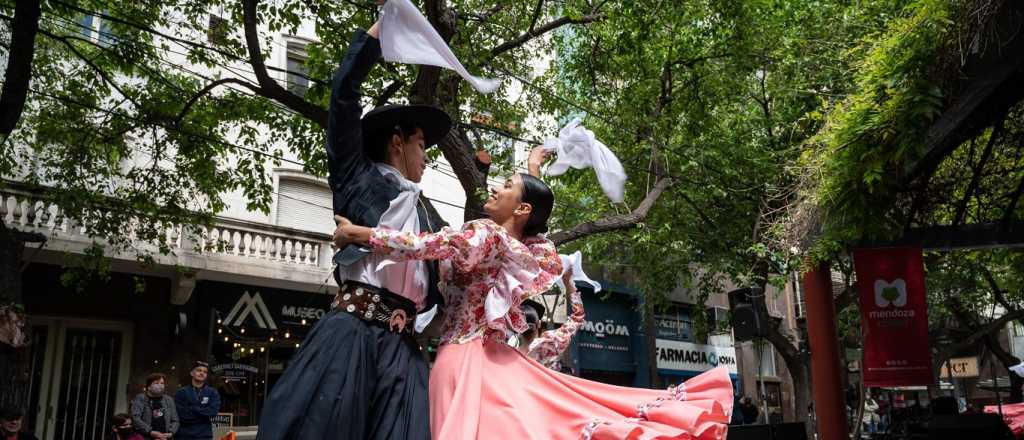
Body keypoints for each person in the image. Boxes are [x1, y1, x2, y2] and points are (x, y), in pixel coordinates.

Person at [334, 172, 733, 439]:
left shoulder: (488, 235)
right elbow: (534, 229)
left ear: (522, 208)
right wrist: (531, 174)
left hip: (463, 360)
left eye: (506, 185)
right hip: (491, 359)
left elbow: (429, 244)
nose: (494, 188)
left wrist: (360, 234)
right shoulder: (518, 246)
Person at [255, 7, 451, 440]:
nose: (427, 156)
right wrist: (379, 32)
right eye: (422, 144)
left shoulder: (428, 214)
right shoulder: (356, 177)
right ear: (397, 142)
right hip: (351, 334)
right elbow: (343, 96)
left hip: (404, 350)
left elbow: (458, 257)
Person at [518, 268, 584, 371]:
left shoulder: (505, 350)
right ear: (539, 324)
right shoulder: (548, 344)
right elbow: (578, 317)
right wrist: (567, 283)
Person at [174, 361, 220, 440]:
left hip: (204, 435)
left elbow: (213, 412)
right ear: (192, 373)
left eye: (205, 372)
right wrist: (203, 413)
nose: (202, 373)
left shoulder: (212, 392)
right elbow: (181, 414)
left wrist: (192, 409)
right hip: (184, 435)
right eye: (199, 370)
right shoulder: (181, 392)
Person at [131, 373, 179, 439]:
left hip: (165, 437)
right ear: (148, 387)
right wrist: (150, 432)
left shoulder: (168, 399)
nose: (160, 385)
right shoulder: (140, 398)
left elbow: (175, 420)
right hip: (146, 437)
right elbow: (135, 418)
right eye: (156, 383)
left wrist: (171, 433)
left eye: (162, 383)